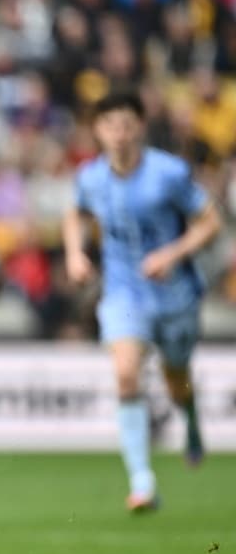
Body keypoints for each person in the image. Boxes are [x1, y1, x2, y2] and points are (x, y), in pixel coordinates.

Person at [63, 91, 222, 512]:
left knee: (175, 380)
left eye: (125, 124)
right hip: (122, 292)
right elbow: (75, 214)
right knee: (126, 374)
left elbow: (211, 221)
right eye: (109, 124)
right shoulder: (90, 177)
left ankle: (188, 416)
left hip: (175, 295)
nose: (118, 133)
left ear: (140, 127)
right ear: (98, 130)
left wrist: (171, 254)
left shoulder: (168, 173)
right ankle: (142, 481)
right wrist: (75, 254)